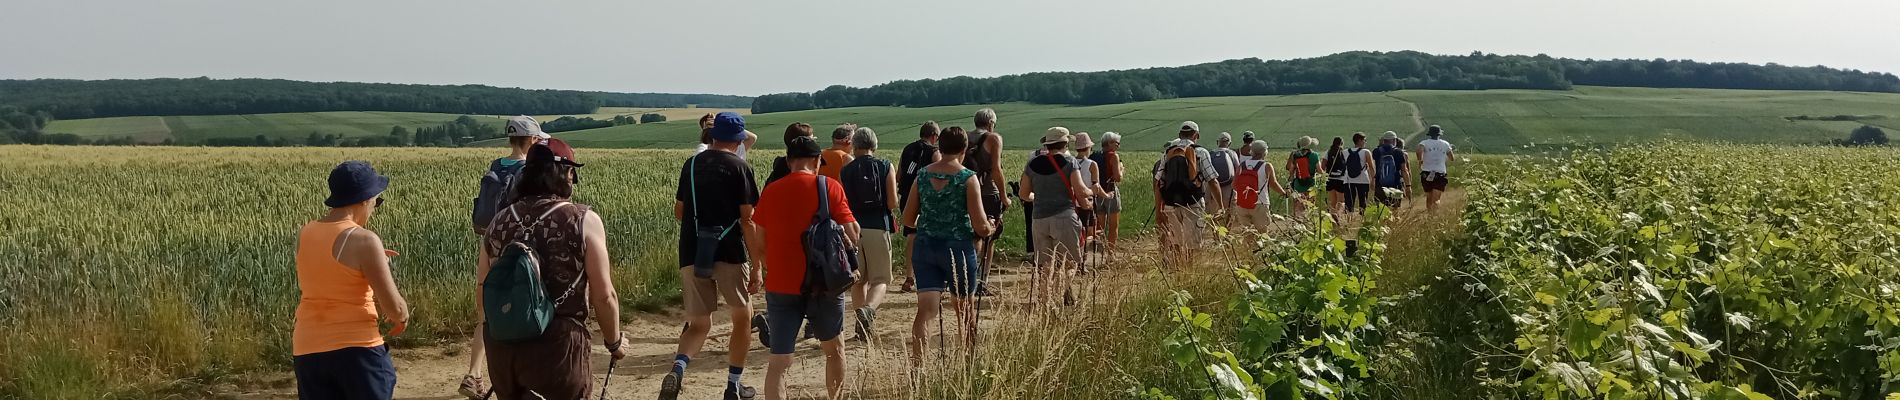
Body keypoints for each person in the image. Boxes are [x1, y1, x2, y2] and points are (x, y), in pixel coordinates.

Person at [478, 141, 626, 399]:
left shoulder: (498, 222)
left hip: (502, 347)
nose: (573, 178)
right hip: (558, 347)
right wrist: (614, 343)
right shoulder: (583, 220)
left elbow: (483, 288)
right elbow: (604, 295)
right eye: (571, 172)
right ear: (562, 173)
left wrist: (501, 330)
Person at [661, 112, 763, 400]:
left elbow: (679, 212)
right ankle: (733, 385)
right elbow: (748, 220)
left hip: (692, 250)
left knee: (699, 324)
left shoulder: (691, 164)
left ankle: (679, 368)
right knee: (743, 317)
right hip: (729, 250)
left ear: (713, 135)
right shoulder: (739, 166)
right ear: (738, 140)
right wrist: (757, 265)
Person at [754, 135, 860, 400]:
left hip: (781, 284)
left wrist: (770, 265)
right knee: (834, 350)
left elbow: (759, 240)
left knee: (779, 362)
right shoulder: (830, 187)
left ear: (789, 161)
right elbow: (853, 233)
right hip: (825, 283)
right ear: (816, 162)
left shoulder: (771, 191)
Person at [294, 160, 410, 400]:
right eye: (377, 201)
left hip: (308, 349)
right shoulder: (364, 240)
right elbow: (394, 308)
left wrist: (373, 263)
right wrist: (402, 317)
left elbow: (327, 276)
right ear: (364, 199)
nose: (375, 207)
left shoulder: (305, 232)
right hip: (357, 350)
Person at [459, 115, 547, 398]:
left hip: (491, 242)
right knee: (523, 308)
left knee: (488, 312)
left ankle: (473, 374)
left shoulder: (497, 166)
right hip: (517, 249)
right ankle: (521, 376)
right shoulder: (528, 170)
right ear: (532, 140)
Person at [901, 127, 993, 366]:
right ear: (964, 149)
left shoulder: (922, 175)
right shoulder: (967, 178)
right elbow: (980, 225)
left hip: (926, 247)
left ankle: (918, 367)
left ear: (939, 147)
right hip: (958, 249)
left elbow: (908, 219)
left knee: (925, 312)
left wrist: (930, 220)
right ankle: (969, 363)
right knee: (965, 310)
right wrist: (991, 227)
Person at [1017, 127, 1092, 306]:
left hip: (1039, 219)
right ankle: (1061, 296)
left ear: (1047, 144)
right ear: (1065, 143)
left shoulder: (1032, 164)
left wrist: (1040, 197)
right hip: (1064, 216)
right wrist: (1091, 194)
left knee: (1045, 265)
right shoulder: (1070, 162)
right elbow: (1080, 191)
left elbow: (1024, 194)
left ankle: (1045, 301)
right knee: (1069, 263)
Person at [838, 126, 898, 340]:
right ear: (874, 144)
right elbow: (892, 202)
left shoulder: (846, 170)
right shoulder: (884, 166)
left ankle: (861, 327)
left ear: (854, 145)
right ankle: (869, 310)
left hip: (852, 229)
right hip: (877, 226)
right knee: (880, 279)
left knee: (858, 280)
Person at [1154, 121, 1222, 269]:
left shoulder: (1168, 153)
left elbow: (1158, 181)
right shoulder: (1201, 152)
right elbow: (1212, 180)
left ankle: (1178, 270)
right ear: (1196, 135)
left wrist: (1159, 207)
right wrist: (1221, 206)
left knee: (1176, 242)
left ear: (1179, 135)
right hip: (1193, 202)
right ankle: (1190, 272)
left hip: (1171, 203)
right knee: (1193, 244)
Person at [895, 122, 942, 293]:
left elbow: (899, 175)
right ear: (934, 136)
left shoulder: (907, 148)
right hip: (926, 198)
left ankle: (909, 277)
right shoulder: (934, 152)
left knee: (912, 236)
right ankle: (930, 275)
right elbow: (939, 176)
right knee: (931, 235)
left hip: (907, 197)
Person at [963, 108, 1008, 282]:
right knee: (988, 237)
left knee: (970, 235)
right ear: (991, 123)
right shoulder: (994, 138)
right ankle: (982, 279)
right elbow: (996, 169)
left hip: (967, 190)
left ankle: (964, 273)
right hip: (989, 192)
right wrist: (1004, 196)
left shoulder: (964, 137)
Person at [1233, 140, 1288, 237]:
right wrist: (1284, 193)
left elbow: (1234, 185)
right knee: (1263, 234)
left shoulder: (1242, 165)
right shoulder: (1266, 166)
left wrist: (1245, 194)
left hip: (1242, 204)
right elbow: (1273, 184)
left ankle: (1248, 250)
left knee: (1247, 234)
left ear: (1251, 151)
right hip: (1260, 204)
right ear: (1265, 152)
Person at [1089, 132, 1125, 252]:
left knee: (1100, 226)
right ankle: (1110, 253)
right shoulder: (1113, 156)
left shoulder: (1094, 156)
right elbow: (1117, 177)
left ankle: (1098, 251)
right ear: (1109, 143)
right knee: (1113, 226)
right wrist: (1121, 168)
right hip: (1110, 192)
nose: (1118, 146)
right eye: (1117, 143)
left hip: (1097, 193)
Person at [1072, 132, 1104, 253]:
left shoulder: (1071, 162)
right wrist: (1106, 195)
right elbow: (1096, 187)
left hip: (1073, 202)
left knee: (1076, 230)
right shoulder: (1092, 164)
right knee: (1089, 232)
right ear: (1088, 147)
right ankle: (1082, 254)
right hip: (1088, 202)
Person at [1416, 125, 1456, 210]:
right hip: (1440, 173)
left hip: (1426, 173)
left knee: (1429, 197)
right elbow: (1452, 158)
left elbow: (1419, 150)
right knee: (1436, 199)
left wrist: (1420, 160)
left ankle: (1429, 215)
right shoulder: (1445, 144)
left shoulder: (1424, 142)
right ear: (1439, 134)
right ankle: (1434, 216)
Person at [1284, 136, 1322, 220]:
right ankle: (1308, 223)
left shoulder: (1295, 155)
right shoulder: (1314, 155)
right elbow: (1319, 170)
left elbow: (1291, 170)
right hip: (1311, 184)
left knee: (1298, 205)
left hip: (1298, 183)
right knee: (1310, 205)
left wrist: (1289, 183)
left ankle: (1298, 223)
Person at [1372, 131, 1411, 209]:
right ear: (1394, 140)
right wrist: (1408, 186)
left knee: (1381, 209)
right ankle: (1394, 221)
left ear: (1384, 140)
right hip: (1396, 184)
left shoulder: (1376, 151)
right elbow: (1404, 170)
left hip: (1380, 185)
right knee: (1395, 208)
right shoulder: (1399, 152)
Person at [1208, 132, 1241, 223]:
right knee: (1230, 210)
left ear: (1217, 142)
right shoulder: (1232, 153)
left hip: (1213, 186)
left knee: (1214, 211)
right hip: (1229, 186)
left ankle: (1215, 234)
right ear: (1229, 143)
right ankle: (1227, 232)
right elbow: (1238, 170)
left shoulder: (1211, 153)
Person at [1340, 132, 1376, 215]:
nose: (1365, 142)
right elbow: (1371, 167)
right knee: (1363, 201)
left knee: (1349, 201)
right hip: (1363, 179)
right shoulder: (1366, 152)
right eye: (1364, 140)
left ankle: (1349, 219)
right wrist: (1373, 180)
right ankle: (1362, 218)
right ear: (1360, 140)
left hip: (1348, 180)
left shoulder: (1345, 152)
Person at [1319, 137, 1348, 217]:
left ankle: (1332, 215)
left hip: (1330, 178)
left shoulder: (1328, 152)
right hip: (1340, 179)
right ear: (1342, 143)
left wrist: (1324, 175)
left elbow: (1323, 165)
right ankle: (1338, 215)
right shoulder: (1344, 152)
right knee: (1341, 201)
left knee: (1333, 201)